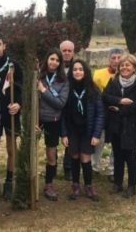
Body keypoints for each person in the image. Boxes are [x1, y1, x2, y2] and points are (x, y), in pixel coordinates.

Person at [103, 54, 136, 198]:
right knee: (118, 155)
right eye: (122, 65)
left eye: (128, 65)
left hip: (133, 126)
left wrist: (119, 110)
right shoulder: (114, 81)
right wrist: (120, 100)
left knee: (131, 156)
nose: (124, 68)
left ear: (134, 67)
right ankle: (118, 183)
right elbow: (105, 97)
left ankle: (132, 185)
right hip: (116, 126)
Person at [61, 59, 104, 202]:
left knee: (85, 158)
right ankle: (75, 185)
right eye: (75, 69)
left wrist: (97, 134)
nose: (77, 72)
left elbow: (100, 113)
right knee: (74, 157)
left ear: (85, 72)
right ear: (71, 72)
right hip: (72, 130)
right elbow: (63, 114)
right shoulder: (67, 89)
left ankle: (89, 185)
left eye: (81, 69)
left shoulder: (93, 89)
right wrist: (64, 133)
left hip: (88, 130)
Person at [0, 34, 22, 199]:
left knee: (11, 149)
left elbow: (22, 88)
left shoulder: (13, 65)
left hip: (10, 112)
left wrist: (19, 104)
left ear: (4, 45)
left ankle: (9, 180)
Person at [38, 48, 69, 201]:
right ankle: (28, 177)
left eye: (57, 60)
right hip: (37, 119)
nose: (54, 62)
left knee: (51, 153)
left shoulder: (63, 81)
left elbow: (60, 103)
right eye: (52, 59)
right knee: (30, 150)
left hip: (53, 120)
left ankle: (49, 184)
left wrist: (43, 91)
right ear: (47, 60)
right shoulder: (38, 76)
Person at [92, 48, 124, 181]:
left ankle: (113, 169)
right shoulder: (98, 74)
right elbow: (94, 94)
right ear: (108, 59)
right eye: (113, 58)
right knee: (99, 140)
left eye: (119, 58)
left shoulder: (127, 74)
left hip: (119, 113)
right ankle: (94, 166)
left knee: (117, 142)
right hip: (103, 112)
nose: (116, 61)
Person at [59, 40, 75, 181]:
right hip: (55, 107)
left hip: (71, 107)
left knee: (70, 139)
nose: (67, 53)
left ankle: (68, 168)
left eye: (69, 50)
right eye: (64, 50)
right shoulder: (54, 65)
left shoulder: (78, 66)